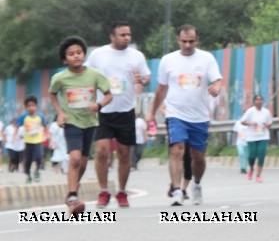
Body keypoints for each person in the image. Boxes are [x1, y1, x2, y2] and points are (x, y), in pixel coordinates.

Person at [147, 25, 223, 207]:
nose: (188, 45)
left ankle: (196, 184)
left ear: (197, 40)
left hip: (199, 116)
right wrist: (151, 112)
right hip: (176, 113)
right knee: (177, 150)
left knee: (198, 157)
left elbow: (217, 80)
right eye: (184, 41)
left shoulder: (206, 58)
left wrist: (216, 88)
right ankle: (176, 190)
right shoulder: (168, 60)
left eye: (191, 41)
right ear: (178, 40)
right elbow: (161, 88)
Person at [85, 21, 152, 208]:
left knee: (124, 154)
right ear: (112, 36)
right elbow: (85, 74)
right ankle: (103, 191)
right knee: (101, 151)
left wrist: (143, 80)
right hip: (103, 111)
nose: (127, 38)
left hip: (125, 111)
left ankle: (122, 192)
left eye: (129, 35)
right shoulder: (98, 55)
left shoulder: (136, 56)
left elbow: (147, 78)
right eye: (122, 35)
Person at [48, 36, 113, 215]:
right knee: (74, 159)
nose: (76, 56)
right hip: (71, 122)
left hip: (90, 123)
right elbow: (52, 94)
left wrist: (99, 105)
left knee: (83, 163)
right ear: (64, 59)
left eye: (79, 53)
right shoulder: (60, 78)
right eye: (71, 54)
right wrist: (60, 113)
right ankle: (73, 196)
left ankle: (71, 192)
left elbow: (108, 94)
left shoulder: (94, 75)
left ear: (84, 54)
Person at [240, 94, 273, 182]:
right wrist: (251, 124)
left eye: (261, 100)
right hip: (252, 137)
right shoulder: (250, 111)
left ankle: (258, 175)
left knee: (261, 155)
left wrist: (267, 124)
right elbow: (242, 122)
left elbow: (270, 124)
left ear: (262, 101)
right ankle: (251, 168)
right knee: (252, 156)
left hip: (263, 136)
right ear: (254, 101)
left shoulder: (266, 112)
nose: (259, 101)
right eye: (257, 100)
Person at [14, 96, 46, 183]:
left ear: (36, 106)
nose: (31, 107)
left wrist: (47, 135)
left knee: (39, 157)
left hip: (38, 141)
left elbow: (45, 125)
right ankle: (28, 176)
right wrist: (14, 136)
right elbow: (17, 126)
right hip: (28, 142)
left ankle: (37, 171)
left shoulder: (40, 116)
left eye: (33, 105)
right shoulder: (23, 116)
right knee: (27, 161)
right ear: (26, 107)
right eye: (29, 106)